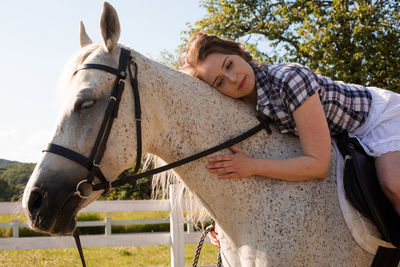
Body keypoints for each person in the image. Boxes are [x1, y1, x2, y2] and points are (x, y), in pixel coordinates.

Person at [179, 32, 400, 245]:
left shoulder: (290, 79)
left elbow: (318, 165)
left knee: (393, 185)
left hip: (377, 117)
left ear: (239, 53)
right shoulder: (242, 103)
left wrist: (252, 166)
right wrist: (220, 223)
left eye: (229, 65)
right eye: (219, 82)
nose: (232, 78)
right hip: (344, 133)